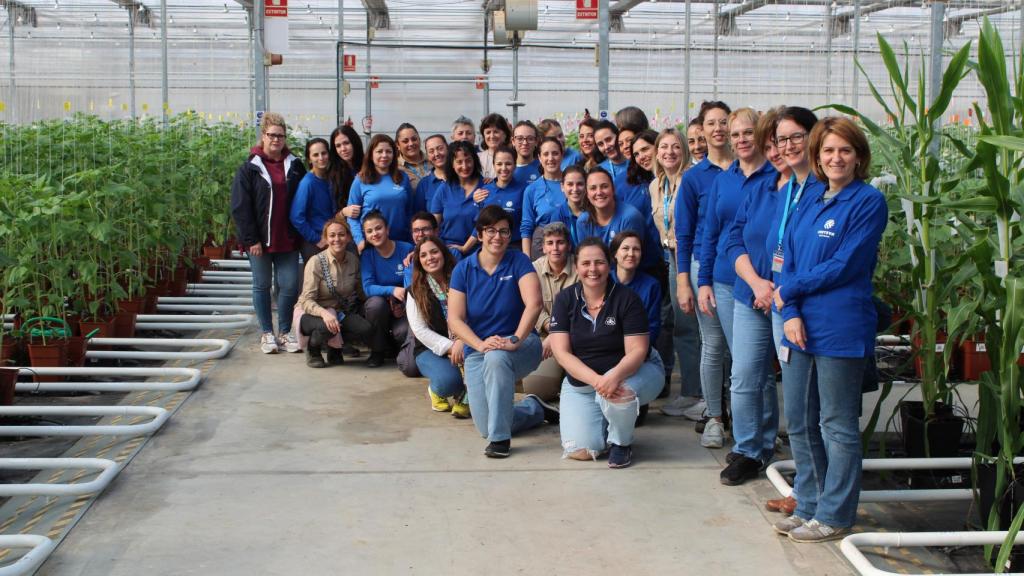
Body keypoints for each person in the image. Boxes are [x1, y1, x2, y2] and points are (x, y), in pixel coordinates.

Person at [771, 117, 887, 543]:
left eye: (845, 150)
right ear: (818, 157)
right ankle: (809, 504)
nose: (835, 158)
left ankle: (836, 514)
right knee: (800, 420)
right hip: (800, 325)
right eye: (828, 151)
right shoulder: (811, 198)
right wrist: (793, 310)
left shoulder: (867, 202)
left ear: (858, 157)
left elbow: (846, 265)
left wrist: (789, 291)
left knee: (836, 424)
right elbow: (791, 258)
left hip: (840, 326)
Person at [448, 205, 558, 458]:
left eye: (504, 231)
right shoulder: (463, 269)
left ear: (510, 236)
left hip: (521, 344)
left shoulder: (518, 261)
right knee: (485, 426)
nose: (497, 237)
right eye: (490, 230)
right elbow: (455, 319)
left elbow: (534, 304)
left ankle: (500, 441)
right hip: (478, 349)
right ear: (479, 233)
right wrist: (479, 345)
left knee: (497, 359)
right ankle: (534, 409)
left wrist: (516, 339)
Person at [717, 107, 789, 486]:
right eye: (770, 143)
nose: (776, 150)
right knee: (744, 375)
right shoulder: (761, 188)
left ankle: (768, 443)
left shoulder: (807, 191)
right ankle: (747, 449)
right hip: (750, 293)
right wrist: (757, 282)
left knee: (785, 376)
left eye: (783, 142)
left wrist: (775, 286)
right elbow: (733, 237)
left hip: (786, 298)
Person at [697, 107, 775, 449]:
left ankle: (765, 434)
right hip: (728, 282)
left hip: (770, 282)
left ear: (759, 136)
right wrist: (703, 282)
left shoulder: (775, 177)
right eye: (736, 134)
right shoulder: (723, 180)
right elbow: (710, 233)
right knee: (745, 364)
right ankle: (749, 439)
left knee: (762, 368)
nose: (742, 140)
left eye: (747, 133)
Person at [549, 237, 664, 468]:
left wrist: (612, 378)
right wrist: (598, 381)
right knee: (581, 451)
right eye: (586, 263)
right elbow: (561, 354)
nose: (593, 269)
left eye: (599, 262)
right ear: (577, 266)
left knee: (619, 394)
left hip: (633, 372)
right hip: (583, 385)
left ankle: (622, 442)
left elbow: (637, 351)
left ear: (609, 264)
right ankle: (607, 419)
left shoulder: (627, 299)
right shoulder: (564, 300)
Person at [763, 106, 820, 516]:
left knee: (815, 411)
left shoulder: (822, 188)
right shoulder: (789, 190)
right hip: (787, 302)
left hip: (808, 308)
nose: (788, 146)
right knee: (798, 409)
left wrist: (792, 300)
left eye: (796, 136)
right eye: (781, 140)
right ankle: (807, 488)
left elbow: (812, 258)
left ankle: (817, 495)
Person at [674, 101, 735, 432]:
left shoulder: (748, 170)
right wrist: (684, 281)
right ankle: (714, 414)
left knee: (741, 347)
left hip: (743, 270)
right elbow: (683, 235)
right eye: (711, 123)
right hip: (704, 266)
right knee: (713, 343)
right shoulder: (695, 178)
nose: (718, 129)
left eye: (724, 121)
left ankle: (738, 412)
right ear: (702, 130)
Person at [230, 112, 306, 354]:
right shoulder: (250, 168)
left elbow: (303, 198)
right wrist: (251, 239)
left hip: (288, 237)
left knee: (289, 285)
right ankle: (266, 333)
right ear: (263, 136)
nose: (276, 140)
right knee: (261, 285)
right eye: (272, 135)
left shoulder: (295, 165)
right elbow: (241, 206)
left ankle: (284, 332)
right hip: (260, 242)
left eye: (280, 136)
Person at [647, 128, 703, 418]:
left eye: (676, 147)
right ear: (657, 152)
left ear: (685, 151)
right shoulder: (656, 185)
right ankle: (692, 391)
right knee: (682, 325)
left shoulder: (691, 180)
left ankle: (702, 393)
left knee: (696, 326)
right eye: (664, 147)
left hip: (691, 257)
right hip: (670, 256)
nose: (669, 152)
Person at [295, 217, 374, 367]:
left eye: (341, 234)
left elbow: (361, 292)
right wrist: (325, 314)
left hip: (337, 312)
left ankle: (334, 348)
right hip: (311, 313)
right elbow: (306, 300)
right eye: (332, 235)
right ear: (325, 238)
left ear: (349, 237)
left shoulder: (353, 260)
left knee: (364, 328)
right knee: (327, 326)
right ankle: (313, 350)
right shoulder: (316, 262)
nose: (337, 239)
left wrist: (384, 298)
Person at [407, 235, 470, 418]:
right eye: (424, 255)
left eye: (434, 252)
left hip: (466, 342)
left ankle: (466, 395)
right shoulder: (415, 290)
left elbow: (475, 314)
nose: (430, 258)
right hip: (431, 350)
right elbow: (420, 331)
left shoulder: (462, 279)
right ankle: (437, 390)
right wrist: (451, 347)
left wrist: (462, 341)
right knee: (448, 382)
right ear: (419, 261)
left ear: (443, 253)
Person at [521, 222, 578, 401]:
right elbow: (531, 306)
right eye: (550, 243)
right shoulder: (533, 269)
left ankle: (565, 377)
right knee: (537, 389)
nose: (555, 248)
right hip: (544, 338)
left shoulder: (581, 267)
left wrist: (556, 333)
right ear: (543, 247)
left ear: (568, 245)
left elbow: (582, 309)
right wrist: (551, 331)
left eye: (560, 242)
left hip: (576, 337)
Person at [359, 211, 414, 368]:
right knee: (375, 305)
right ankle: (377, 351)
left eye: (378, 228)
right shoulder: (368, 255)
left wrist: (401, 303)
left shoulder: (406, 249)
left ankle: (396, 348)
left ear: (387, 229)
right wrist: (392, 290)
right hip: (381, 305)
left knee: (402, 333)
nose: (374, 233)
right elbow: (368, 288)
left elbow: (412, 282)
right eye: (369, 231)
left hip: (403, 304)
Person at [343, 134, 415, 250]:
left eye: (388, 151)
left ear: (394, 154)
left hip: (401, 242)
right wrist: (360, 241)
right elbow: (352, 217)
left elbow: (410, 211)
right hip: (372, 244)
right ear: (371, 155)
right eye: (379, 151)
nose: (384, 155)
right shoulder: (361, 180)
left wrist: (412, 239)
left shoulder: (403, 177)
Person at [430, 141, 483, 256]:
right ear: (452, 164)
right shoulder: (444, 188)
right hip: (448, 250)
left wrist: (464, 248)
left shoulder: (486, 187)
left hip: (478, 251)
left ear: (475, 161)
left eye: (468, 160)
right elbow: (433, 224)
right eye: (459, 162)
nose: (464, 166)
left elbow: (484, 223)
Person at [575, 167, 645, 249]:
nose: (599, 192)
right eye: (593, 188)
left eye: (604, 186)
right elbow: (586, 256)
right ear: (587, 194)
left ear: (613, 189)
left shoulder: (629, 217)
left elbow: (631, 258)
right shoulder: (583, 221)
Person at [291, 138, 336, 261]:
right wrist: (315, 238)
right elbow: (296, 217)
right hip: (315, 243)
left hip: (330, 239)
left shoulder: (329, 178)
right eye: (316, 155)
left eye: (324, 153)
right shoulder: (308, 183)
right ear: (309, 159)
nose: (321, 158)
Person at [611, 232, 661, 345]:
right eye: (625, 248)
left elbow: (652, 327)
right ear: (615, 253)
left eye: (636, 249)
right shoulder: (603, 281)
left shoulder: (651, 285)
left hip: (639, 348)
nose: (631, 254)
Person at [520, 137, 565, 256]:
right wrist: (526, 259)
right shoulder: (531, 190)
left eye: (555, 153)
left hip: (571, 247)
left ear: (562, 155)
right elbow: (526, 227)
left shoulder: (573, 184)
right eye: (546, 154)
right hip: (542, 250)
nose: (551, 158)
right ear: (539, 158)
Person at [477, 145, 527, 252]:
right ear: (494, 165)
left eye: (508, 164)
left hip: (514, 247)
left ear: (515, 165)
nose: (503, 168)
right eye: (499, 164)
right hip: (489, 247)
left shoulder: (524, 191)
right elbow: (479, 223)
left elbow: (527, 224)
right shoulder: (484, 191)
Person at [327, 124, 364, 210]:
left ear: (355, 142)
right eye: (338, 146)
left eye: (346, 143)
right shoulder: (333, 174)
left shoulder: (369, 165)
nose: (343, 149)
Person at [551, 165, 586, 248]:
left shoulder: (595, 210)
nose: (575, 189)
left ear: (586, 185)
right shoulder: (557, 215)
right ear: (562, 187)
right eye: (570, 184)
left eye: (580, 184)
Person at [414, 134, 448, 212]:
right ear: (428, 156)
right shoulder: (424, 184)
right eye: (431, 151)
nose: (436, 154)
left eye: (440, 148)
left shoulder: (461, 177)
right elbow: (419, 215)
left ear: (448, 149)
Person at [478, 113, 513, 180]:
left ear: (505, 134)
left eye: (496, 132)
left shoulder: (513, 157)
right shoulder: (477, 158)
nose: (492, 136)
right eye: (488, 132)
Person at [396, 123, 431, 190]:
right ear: (398, 145)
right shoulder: (395, 167)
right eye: (405, 141)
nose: (411, 144)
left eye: (414, 139)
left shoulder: (433, 160)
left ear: (419, 140)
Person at [512, 120, 542, 187]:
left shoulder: (543, 168)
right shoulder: (506, 168)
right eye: (520, 138)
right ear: (513, 141)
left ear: (536, 141)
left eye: (530, 139)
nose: (525, 143)